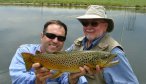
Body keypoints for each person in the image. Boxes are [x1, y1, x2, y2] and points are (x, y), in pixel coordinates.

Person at [66, 5, 139, 84]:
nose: (89, 27)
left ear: (105, 26)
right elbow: (61, 62)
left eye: (94, 23)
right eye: (85, 23)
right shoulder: (78, 43)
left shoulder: (114, 52)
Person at [9, 20, 82, 84]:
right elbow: (17, 79)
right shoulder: (26, 51)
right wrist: (36, 81)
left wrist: (73, 81)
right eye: (51, 36)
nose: (55, 41)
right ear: (41, 36)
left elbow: (78, 81)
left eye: (61, 38)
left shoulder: (68, 58)